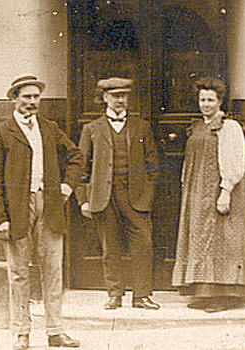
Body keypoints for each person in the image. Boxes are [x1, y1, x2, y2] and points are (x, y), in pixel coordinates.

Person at [0, 75, 84, 349]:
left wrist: (67, 186)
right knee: (18, 272)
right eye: (26, 97)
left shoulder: (50, 128)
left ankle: (55, 331)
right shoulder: (0, 134)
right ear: (14, 99)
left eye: (36, 97)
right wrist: (0, 218)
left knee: (53, 271)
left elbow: (76, 156)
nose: (31, 102)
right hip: (17, 210)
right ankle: (21, 332)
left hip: (50, 206)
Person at [76, 77, 160, 310]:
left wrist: (148, 194)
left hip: (137, 197)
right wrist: (83, 200)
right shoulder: (91, 129)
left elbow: (153, 165)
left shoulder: (141, 126)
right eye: (115, 96)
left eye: (124, 96)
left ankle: (142, 296)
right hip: (104, 197)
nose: (120, 100)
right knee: (109, 247)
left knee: (143, 244)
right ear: (104, 98)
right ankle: (114, 294)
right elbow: (81, 167)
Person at [171, 77, 245, 313]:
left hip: (221, 190)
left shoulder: (229, 127)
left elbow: (235, 162)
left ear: (219, 101)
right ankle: (204, 293)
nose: (205, 104)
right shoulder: (198, 126)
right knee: (201, 238)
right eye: (202, 99)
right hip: (197, 193)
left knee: (222, 239)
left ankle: (224, 296)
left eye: (210, 100)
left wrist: (225, 191)